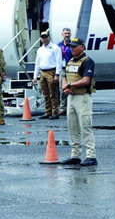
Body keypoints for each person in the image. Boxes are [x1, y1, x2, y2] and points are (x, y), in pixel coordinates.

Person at [60, 38, 97, 166]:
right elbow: (65, 76)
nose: (72, 48)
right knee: (73, 127)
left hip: (83, 97)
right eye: (71, 46)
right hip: (71, 97)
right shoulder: (70, 61)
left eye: (75, 46)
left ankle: (91, 156)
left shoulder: (87, 61)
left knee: (86, 126)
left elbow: (86, 80)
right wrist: (65, 86)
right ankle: (75, 155)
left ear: (82, 47)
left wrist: (69, 85)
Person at [32, 31, 62, 119]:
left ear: (49, 37)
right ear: (41, 39)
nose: (44, 39)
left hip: (51, 71)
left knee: (53, 93)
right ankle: (48, 112)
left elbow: (59, 62)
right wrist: (35, 76)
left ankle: (55, 112)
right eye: (43, 37)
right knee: (45, 93)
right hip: (42, 72)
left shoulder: (55, 48)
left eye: (46, 37)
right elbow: (37, 63)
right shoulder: (40, 50)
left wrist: (57, 74)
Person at [57, 28, 73, 116]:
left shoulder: (73, 45)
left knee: (72, 87)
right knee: (62, 88)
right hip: (62, 69)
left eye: (68, 33)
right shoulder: (58, 45)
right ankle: (63, 108)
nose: (67, 35)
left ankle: (71, 107)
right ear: (62, 34)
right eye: (65, 33)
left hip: (71, 68)